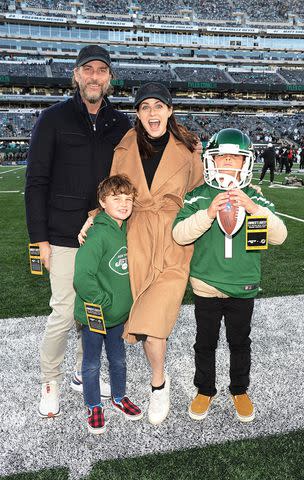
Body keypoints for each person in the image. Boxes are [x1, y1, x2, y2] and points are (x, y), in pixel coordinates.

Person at [80, 82, 203, 425]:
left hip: (174, 239)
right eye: (145, 107)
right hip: (135, 239)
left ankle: (158, 383)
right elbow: (115, 192)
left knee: (155, 323)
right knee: (145, 323)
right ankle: (159, 380)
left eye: (158, 106)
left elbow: (200, 192)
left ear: (169, 110)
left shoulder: (189, 148)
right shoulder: (125, 147)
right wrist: (94, 218)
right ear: (137, 113)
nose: (152, 112)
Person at [25, 44, 131, 418]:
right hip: (63, 234)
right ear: (76, 75)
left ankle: (79, 373)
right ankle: (50, 379)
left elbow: (127, 178)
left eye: (102, 70)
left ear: (109, 79)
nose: (94, 76)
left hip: (103, 234)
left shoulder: (121, 124)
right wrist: (40, 241)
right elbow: (35, 181)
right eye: (88, 70)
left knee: (95, 305)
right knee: (63, 311)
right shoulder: (53, 118)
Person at [172, 128, 287, 423]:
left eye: (235, 158)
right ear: (210, 160)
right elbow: (180, 235)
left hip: (242, 285)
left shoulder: (255, 198)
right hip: (206, 283)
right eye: (222, 156)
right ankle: (204, 390)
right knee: (204, 342)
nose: (227, 163)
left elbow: (279, 236)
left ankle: (239, 389)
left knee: (240, 342)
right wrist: (208, 213)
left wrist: (253, 208)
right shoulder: (197, 197)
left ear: (245, 163)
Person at [74, 175, 143, 434]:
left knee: (119, 360)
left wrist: (120, 305)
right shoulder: (99, 234)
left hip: (117, 316)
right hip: (96, 313)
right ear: (103, 202)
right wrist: (105, 301)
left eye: (128, 199)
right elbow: (82, 277)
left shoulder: (126, 228)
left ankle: (118, 397)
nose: (124, 204)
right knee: (91, 363)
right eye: (116, 198)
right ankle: (93, 405)